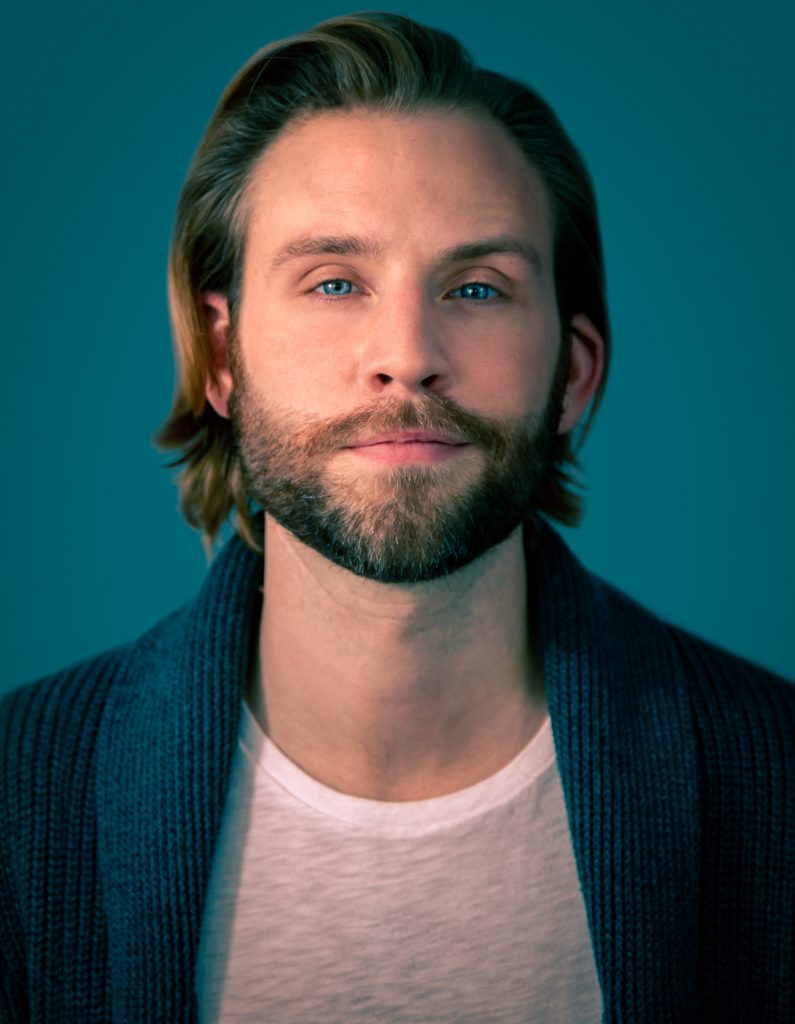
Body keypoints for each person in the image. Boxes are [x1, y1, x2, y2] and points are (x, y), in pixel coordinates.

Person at [1, 11, 792, 1023]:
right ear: (225, 357)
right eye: (334, 282)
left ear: (574, 374)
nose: (406, 351)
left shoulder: (774, 779)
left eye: (476, 286)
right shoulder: (23, 796)